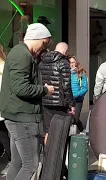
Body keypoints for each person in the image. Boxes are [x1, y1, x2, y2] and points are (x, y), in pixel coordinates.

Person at [0, 23, 54, 180]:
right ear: (37, 38)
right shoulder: (22, 54)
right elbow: (21, 89)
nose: (43, 48)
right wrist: (45, 90)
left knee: (18, 163)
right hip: (22, 118)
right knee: (30, 165)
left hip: (19, 116)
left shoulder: (22, 53)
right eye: (44, 43)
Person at [39, 42, 76, 144]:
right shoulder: (63, 62)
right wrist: (72, 104)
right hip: (60, 103)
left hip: (45, 100)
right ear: (65, 51)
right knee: (60, 132)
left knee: (48, 131)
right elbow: (66, 86)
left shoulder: (42, 61)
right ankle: (57, 157)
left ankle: (47, 155)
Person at [69, 56, 88, 132]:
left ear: (76, 63)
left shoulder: (81, 74)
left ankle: (82, 130)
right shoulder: (67, 73)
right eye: (70, 62)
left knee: (75, 119)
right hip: (69, 100)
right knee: (69, 119)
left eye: (73, 62)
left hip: (78, 100)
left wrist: (76, 95)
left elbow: (85, 88)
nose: (71, 64)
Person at [0, 44, 11, 176]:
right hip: (5, 106)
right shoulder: (5, 64)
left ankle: (11, 160)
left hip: (3, 107)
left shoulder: (3, 66)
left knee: (4, 136)